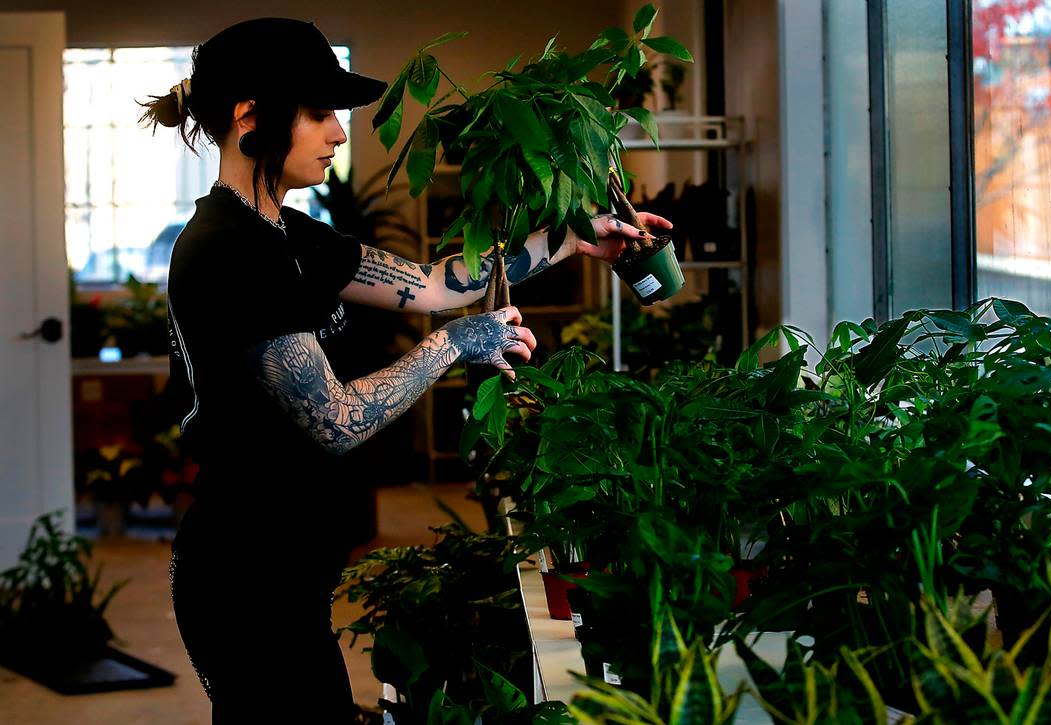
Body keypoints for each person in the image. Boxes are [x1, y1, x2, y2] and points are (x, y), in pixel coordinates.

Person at [138, 17, 670, 723]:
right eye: (320, 112)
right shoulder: (230, 251)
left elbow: (429, 284)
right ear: (250, 117)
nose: (337, 132)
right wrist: (455, 345)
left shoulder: (284, 234)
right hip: (246, 576)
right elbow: (334, 419)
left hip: (287, 567)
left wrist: (572, 239)